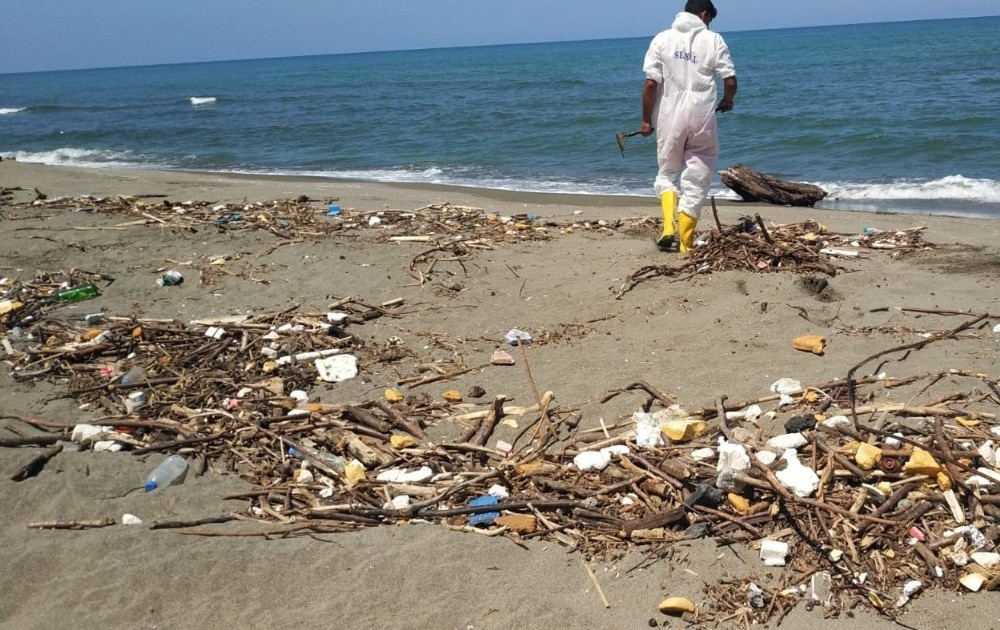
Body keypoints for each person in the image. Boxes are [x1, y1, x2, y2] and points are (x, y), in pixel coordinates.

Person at [639, 0, 737, 253]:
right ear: (704, 14)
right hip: (701, 114)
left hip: (669, 114)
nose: (709, 24)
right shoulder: (713, 39)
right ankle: (686, 244)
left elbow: (651, 84)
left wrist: (646, 120)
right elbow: (730, 80)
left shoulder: (662, 39)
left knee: (667, 172)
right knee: (698, 173)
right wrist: (728, 101)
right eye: (709, 19)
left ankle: (668, 227)